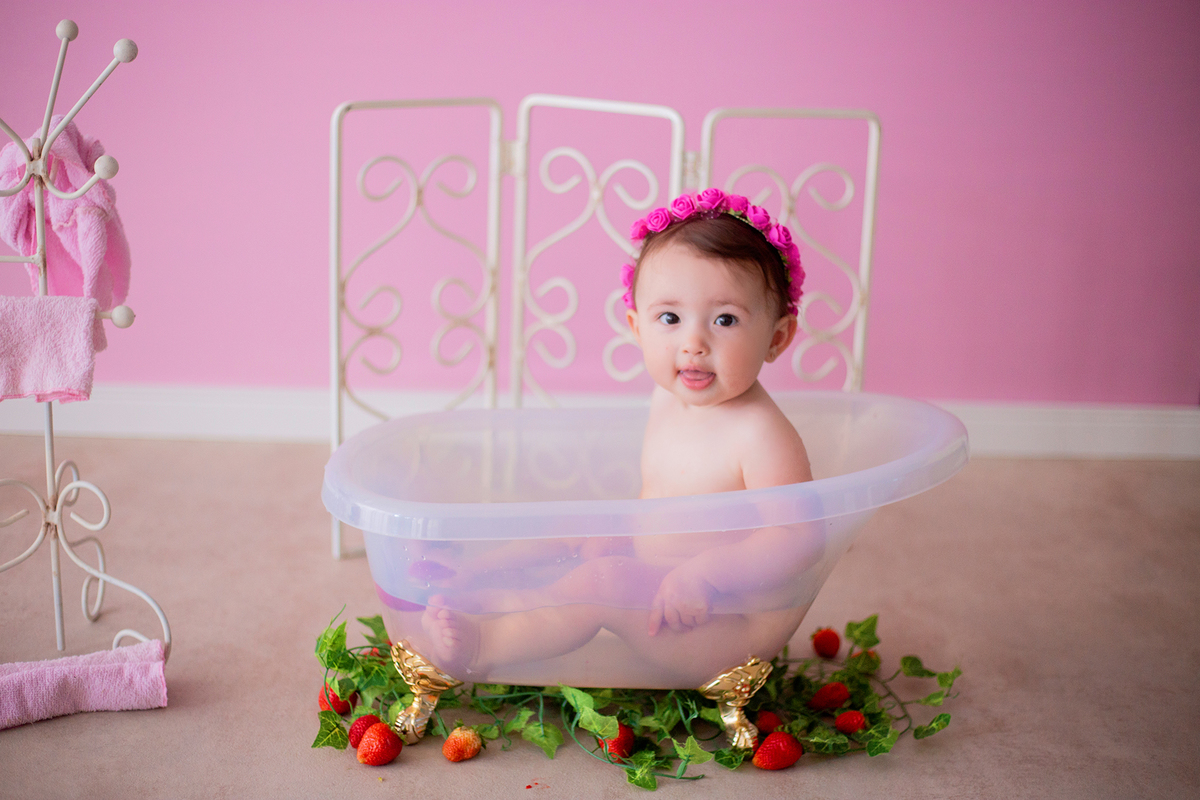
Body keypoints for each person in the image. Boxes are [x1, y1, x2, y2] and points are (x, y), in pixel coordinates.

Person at [420, 189, 823, 683]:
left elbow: (800, 539)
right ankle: (477, 586)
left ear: (777, 338)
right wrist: (625, 534)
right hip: (660, 578)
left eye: (725, 319)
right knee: (580, 532)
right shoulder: (668, 397)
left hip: (719, 625)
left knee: (602, 581)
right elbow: (665, 499)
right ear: (637, 325)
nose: (693, 343)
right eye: (670, 318)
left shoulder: (760, 434)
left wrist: (704, 575)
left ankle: (485, 644)